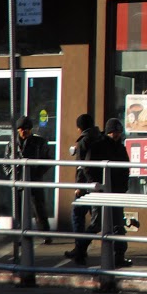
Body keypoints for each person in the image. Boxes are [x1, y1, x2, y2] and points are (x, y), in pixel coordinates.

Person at [64, 113, 107, 265]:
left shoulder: (84, 141)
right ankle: (80, 249)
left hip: (88, 185)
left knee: (78, 215)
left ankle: (79, 249)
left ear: (79, 127)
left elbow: (82, 166)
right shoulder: (101, 137)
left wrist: (80, 185)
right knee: (96, 220)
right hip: (100, 183)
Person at [3, 116, 52, 241]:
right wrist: (12, 174)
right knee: (18, 210)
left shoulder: (39, 143)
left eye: (26, 129)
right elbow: (6, 162)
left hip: (34, 180)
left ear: (30, 130)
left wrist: (37, 172)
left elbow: (48, 160)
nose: (24, 132)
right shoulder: (12, 143)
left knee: (39, 208)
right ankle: (21, 235)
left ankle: (45, 235)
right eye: (21, 129)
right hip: (18, 180)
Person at [102, 118, 132, 267]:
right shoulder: (101, 146)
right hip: (105, 190)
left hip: (117, 190)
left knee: (117, 224)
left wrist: (124, 186)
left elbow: (125, 168)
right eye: (114, 132)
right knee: (100, 224)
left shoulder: (120, 148)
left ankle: (118, 256)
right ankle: (80, 249)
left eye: (118, 132)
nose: (116, 135)